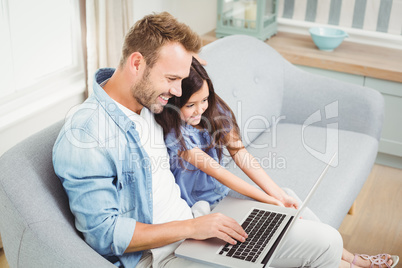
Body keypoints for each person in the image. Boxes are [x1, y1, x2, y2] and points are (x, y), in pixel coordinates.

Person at [53, 11, 349, 268]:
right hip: (159, 257)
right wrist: (194, 227)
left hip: (198, 229)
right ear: (136, 64)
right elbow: (105, 234)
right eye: (172, 79)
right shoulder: (87, 135)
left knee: (328, 242)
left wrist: (182, 64)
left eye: (181, 79)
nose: (179, 92)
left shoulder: (147, 102)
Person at [154, 57, 398, 268]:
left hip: (222, 196)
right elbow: (219, 172)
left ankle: (350, 258)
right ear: (175, 102)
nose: (200, 110)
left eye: (205, 99)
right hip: (201, 208)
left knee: (289, 198)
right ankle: (350, 263)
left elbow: (241, 156)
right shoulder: (177, 136)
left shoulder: (214, 110)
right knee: (275, 207)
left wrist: (277, 195)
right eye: (191, 105)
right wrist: (268, 199)